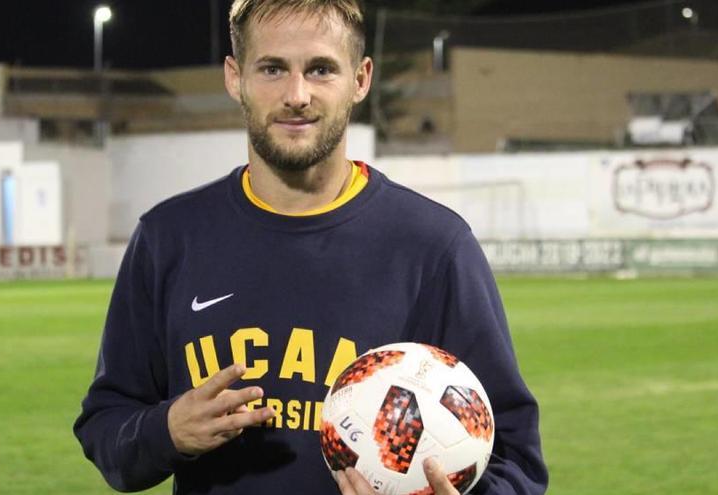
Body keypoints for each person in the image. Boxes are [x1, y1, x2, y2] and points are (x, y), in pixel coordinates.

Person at [73, 0, 548, 493]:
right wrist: (167, 432)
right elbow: (107, 430)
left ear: (360, 79)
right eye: (272, 69)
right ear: (235, 78)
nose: (296, 94)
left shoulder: (435, 247)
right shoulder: (169, 238)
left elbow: (515, 458)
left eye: (321, 69)